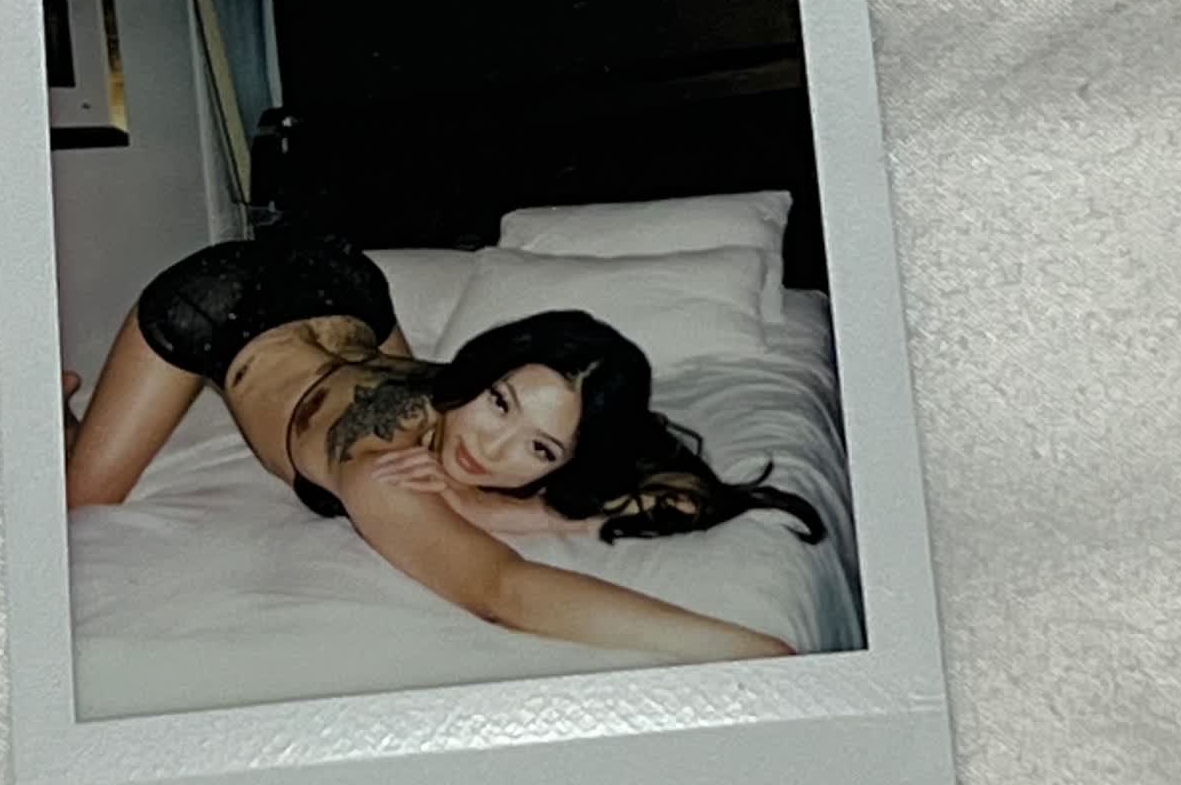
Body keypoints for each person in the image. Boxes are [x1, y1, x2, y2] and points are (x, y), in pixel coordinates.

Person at [63, 233, 824, 666]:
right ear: (482, 372)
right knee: (80, 501)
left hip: (343, 287)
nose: (487, 448)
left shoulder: (480, 402)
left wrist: (544, 516)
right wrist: (756, 651)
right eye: (499, 401)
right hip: (214, 303)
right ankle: (59, 405)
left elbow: (678, 491)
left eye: (538, 447)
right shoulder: (378, 470)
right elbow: (503, 592)